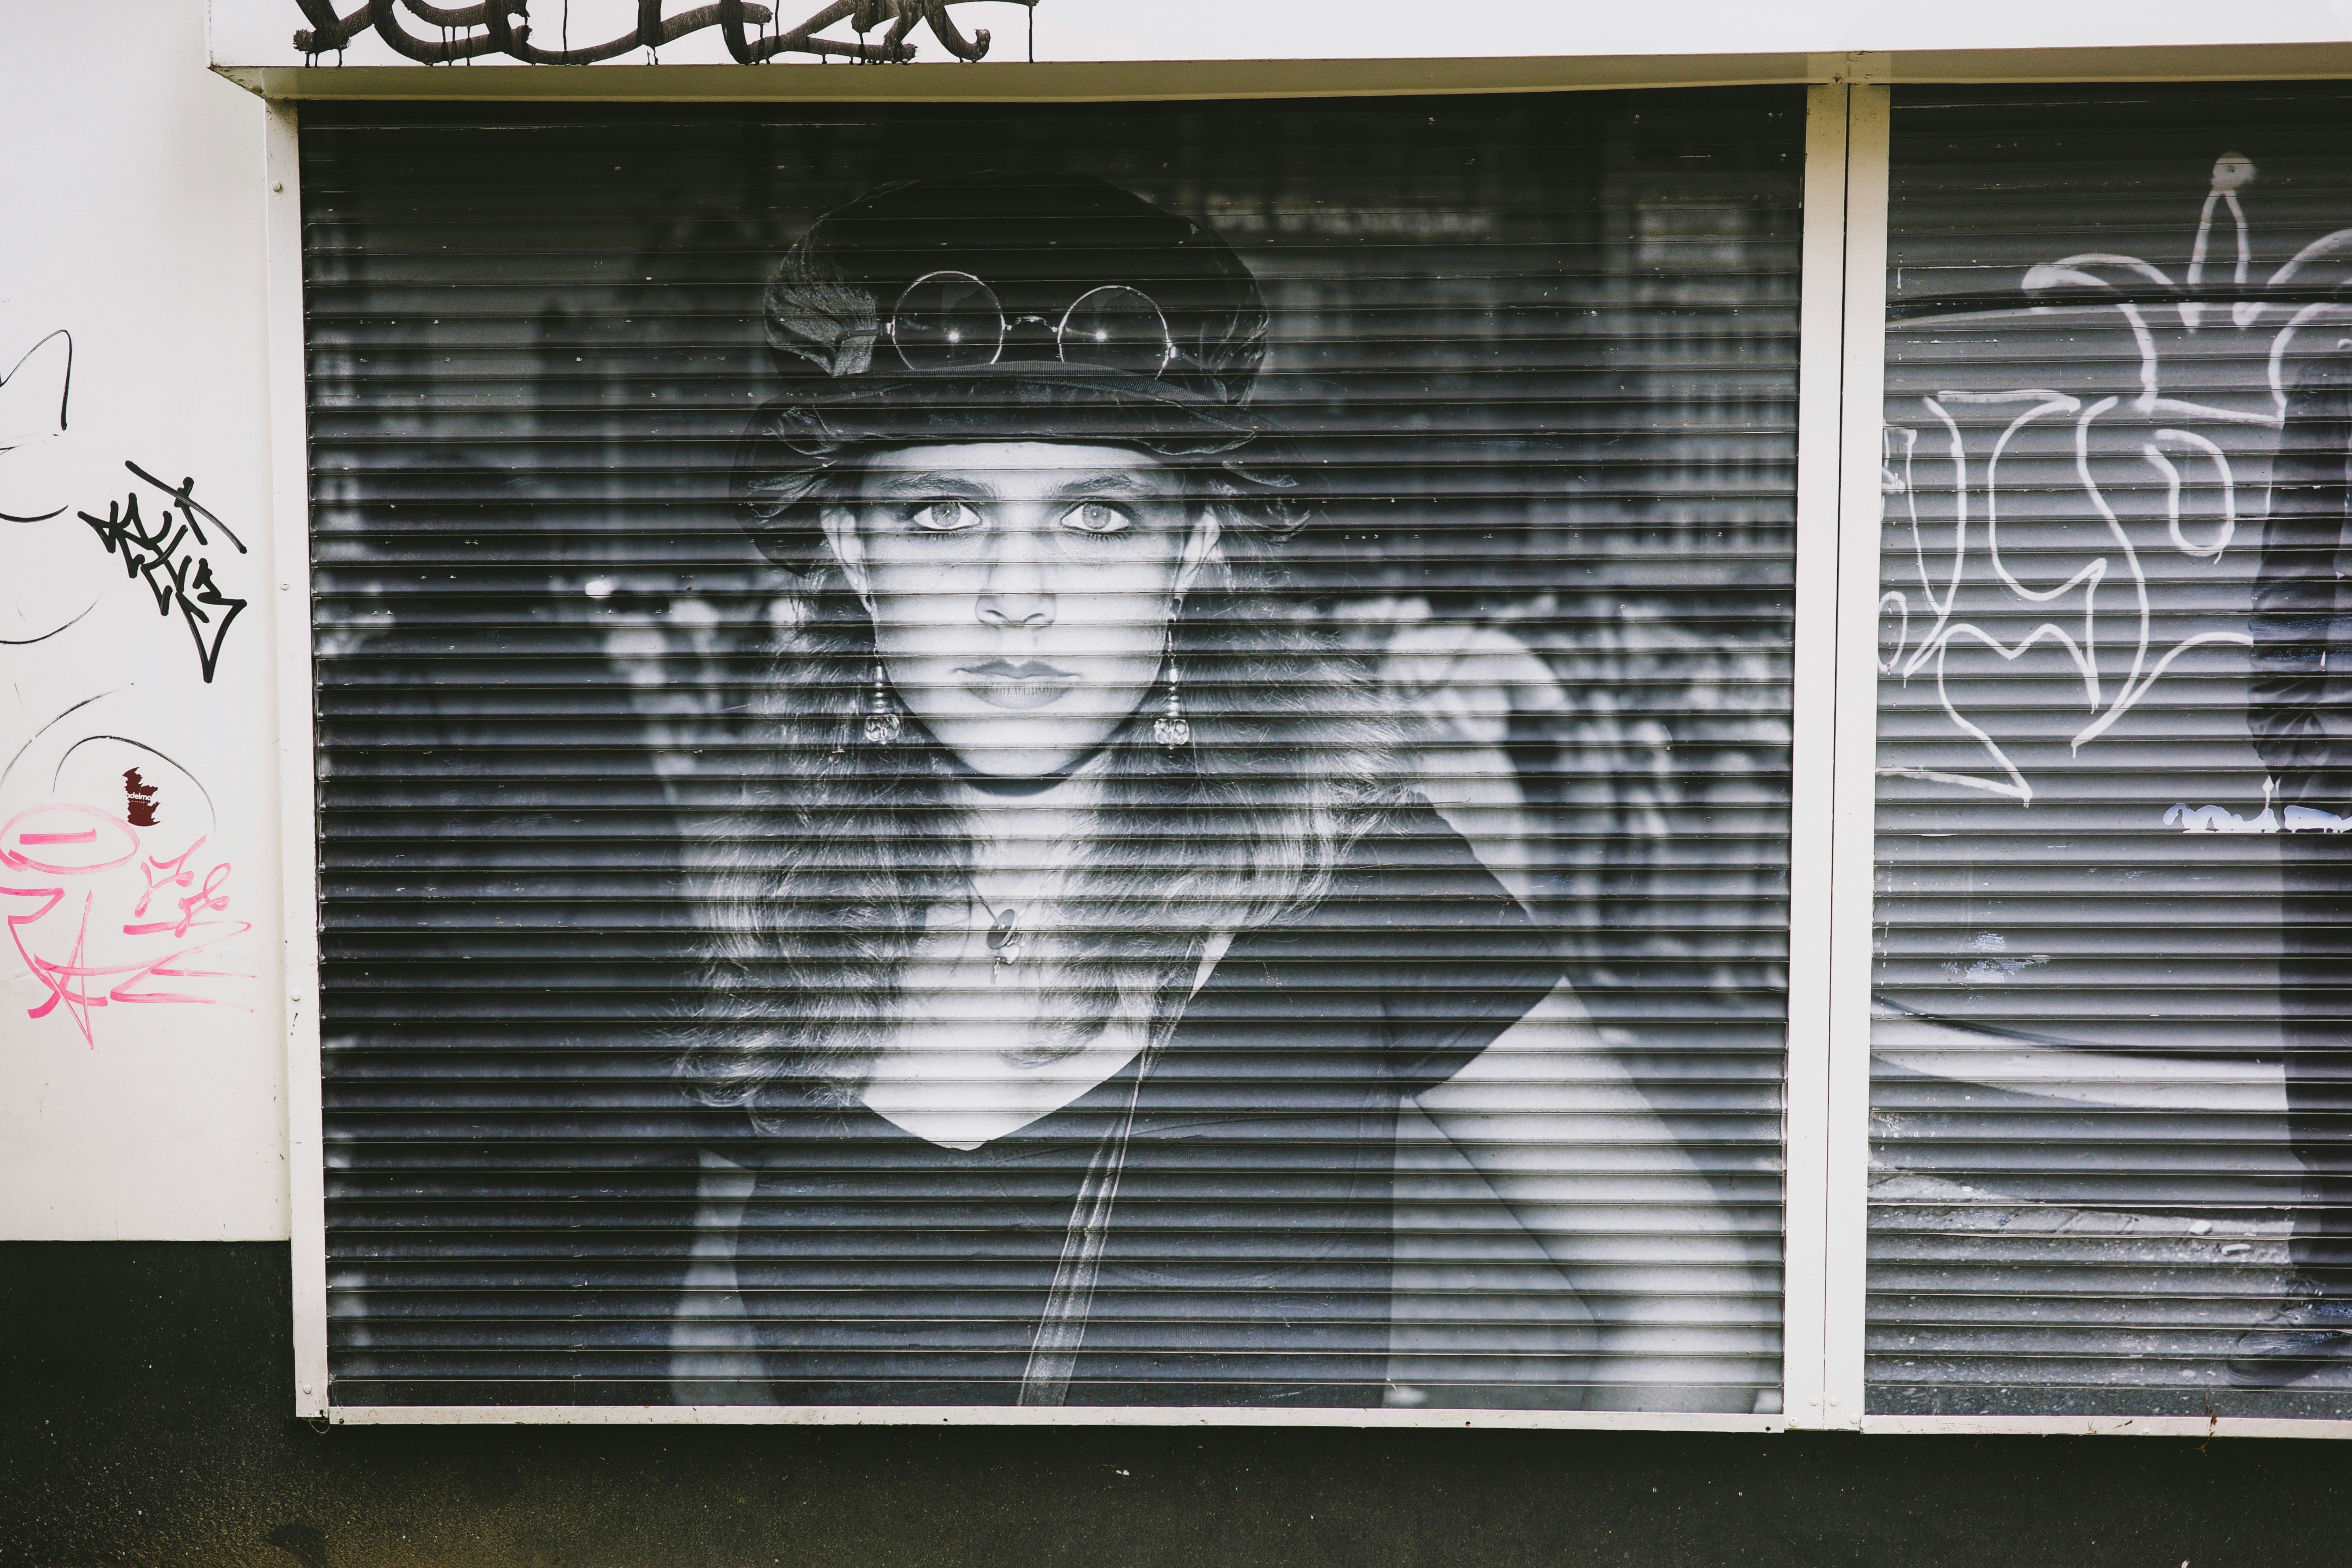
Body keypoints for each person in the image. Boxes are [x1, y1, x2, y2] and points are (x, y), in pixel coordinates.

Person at [668, 172, 1770, 1410]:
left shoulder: (1355, 879)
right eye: (941, 514)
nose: (1017, 593)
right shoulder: (785, 919)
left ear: (1194, 550)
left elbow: (1687, 1298)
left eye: (1097, 518)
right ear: (855, 554)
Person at [2236, 350, 2352, 1385]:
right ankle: (2328, 1285)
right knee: (2328, 1050)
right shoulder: (2338, 384)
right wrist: (2299, 749)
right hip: (2344, 780)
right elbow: (2293, 571)